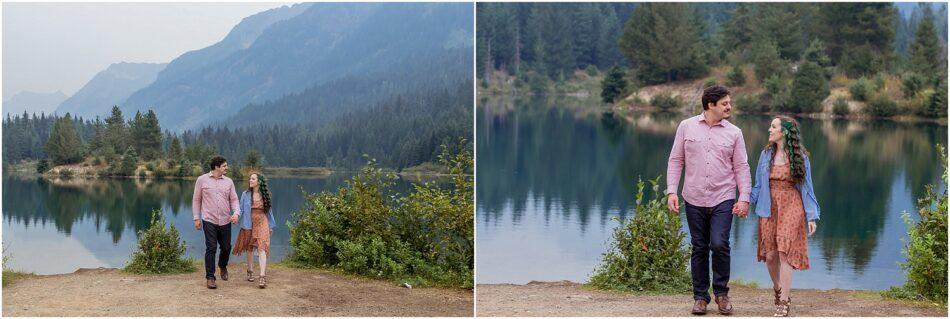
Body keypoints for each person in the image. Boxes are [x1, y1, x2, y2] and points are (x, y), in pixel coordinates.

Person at [666, 85, 752, 315]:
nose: (729, 107)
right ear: (710, 105)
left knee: (720, 244)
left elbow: (741, 167)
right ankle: (700, 298)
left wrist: (744, 198)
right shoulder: (686, 126)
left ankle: (722, 294)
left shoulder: (735, 132)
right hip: (693, 197)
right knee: (699, 247)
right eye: (725, 103)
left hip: (723, 197)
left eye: (729, 102)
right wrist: (671, 191)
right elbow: (676, 160)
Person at [750, 116, 820, 317]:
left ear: (785, 132)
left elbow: (807, 189)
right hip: (768, 205)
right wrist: (745, 203)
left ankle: (784, 301)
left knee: (784, 252)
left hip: (792, 204)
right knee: (771, 255)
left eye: (773, 127)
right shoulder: (765, 155)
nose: (769, 130)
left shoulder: (801, 157)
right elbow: (757, 185)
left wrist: (811, 216)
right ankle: (778, 288)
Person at [192, 156, 241, 289]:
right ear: (217, 167)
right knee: (211, 247)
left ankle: (223, 265)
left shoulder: (229, 182)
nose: (227, 167)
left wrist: (236, 213)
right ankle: (210, 277)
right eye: (224, 166)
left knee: (226, 247)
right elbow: (196, 200)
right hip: (209, 220)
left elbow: (234, 200)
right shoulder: (201, 180)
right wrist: (196, 217)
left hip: (225, 220)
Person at [233, 172, 276, 288]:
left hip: (262, 222)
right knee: (250, 248)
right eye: (250, 179)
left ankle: (262, 276)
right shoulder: (245, 194)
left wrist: (271, 226)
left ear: (259, 181)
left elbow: (269, 212)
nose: (250, 180)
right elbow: (241, 209)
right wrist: (236, 216)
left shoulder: (266, 195)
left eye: (253, 179)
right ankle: (250, 270)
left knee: (262, 247)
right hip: (249, 223)